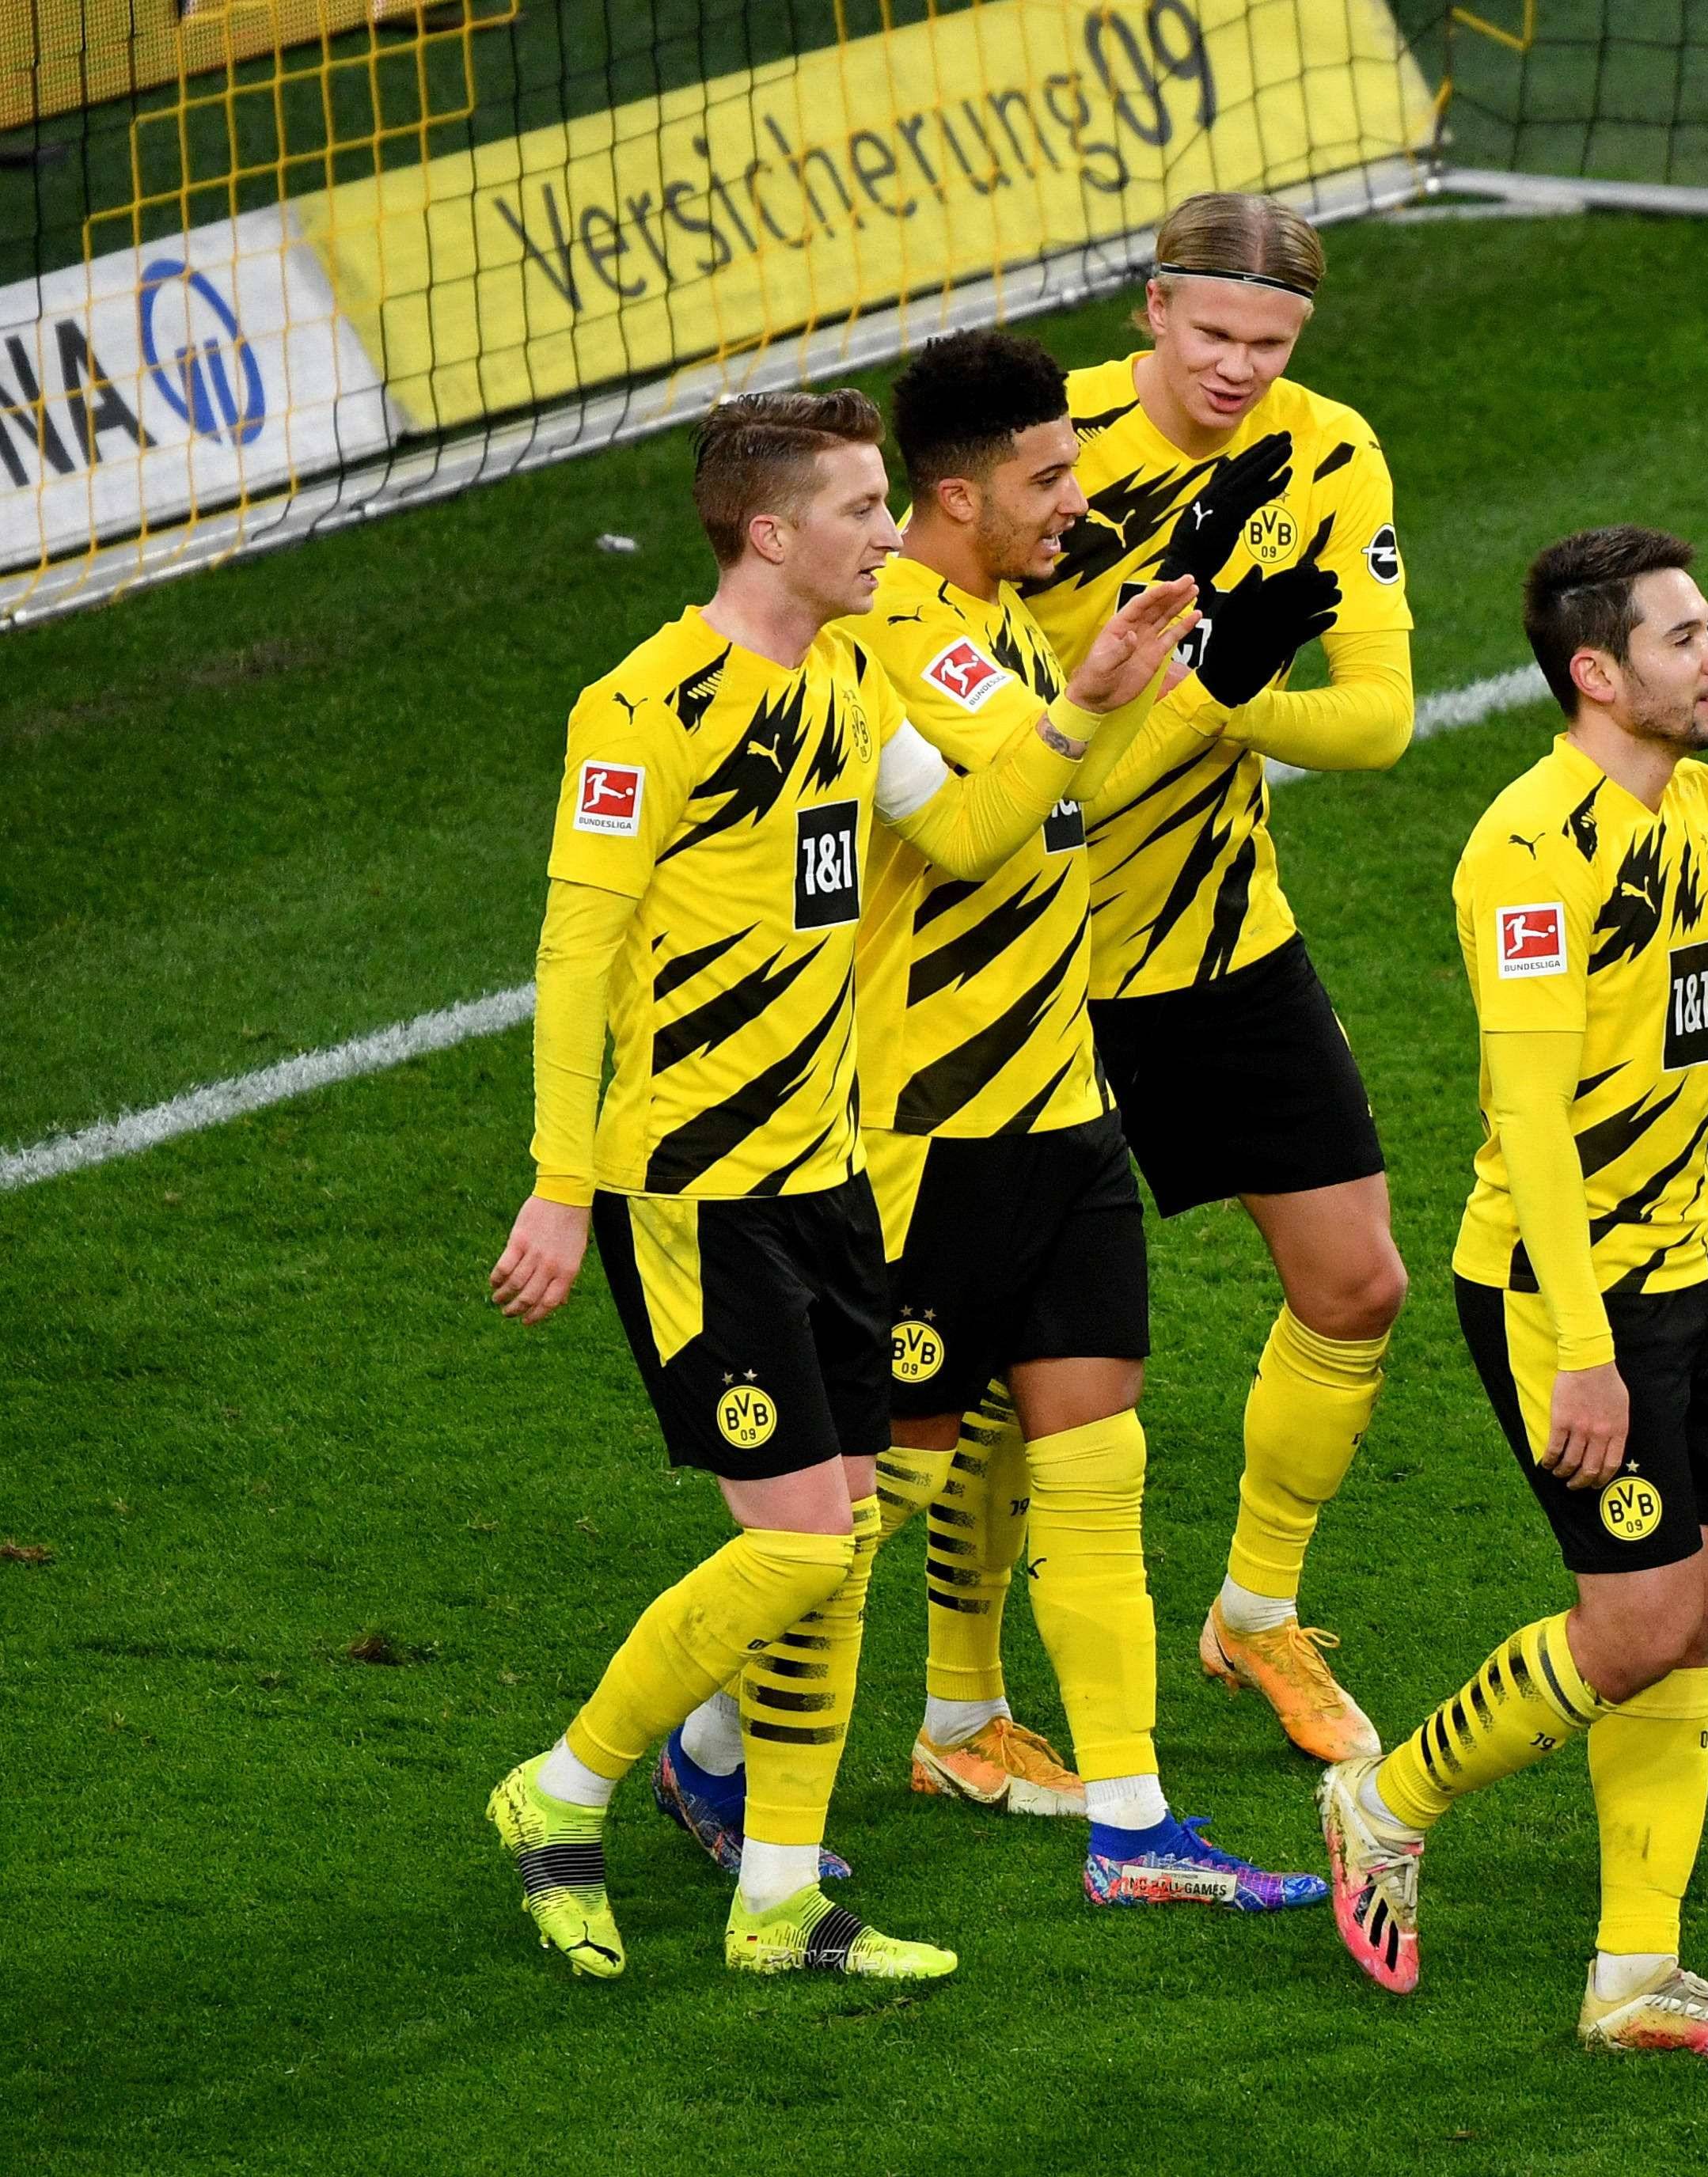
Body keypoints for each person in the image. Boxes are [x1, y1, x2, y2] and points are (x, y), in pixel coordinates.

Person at [481, 387, 1195, 1979]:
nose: (891, 533)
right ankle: (563, 1786)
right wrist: (560, 1181)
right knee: (804, 1545)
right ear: (769, 533)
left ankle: (780, 1900)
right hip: (698, 1187)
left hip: (835, 1178)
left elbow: (975, 833)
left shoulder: (852, 683)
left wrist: (1084, 705)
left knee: (847, 1532)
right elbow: (576, 952)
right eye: (864, 509)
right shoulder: (643, 707)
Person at [649, 332, 1321, 1910]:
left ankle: (1136, 1831)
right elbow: (987, 825)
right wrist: (1117, 691)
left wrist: (1205, 675)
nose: (1078, 500)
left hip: (1059, 1104)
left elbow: (1071, 794)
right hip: (929, 1124)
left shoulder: (1004, 621)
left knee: (1097, 1462)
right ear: (957, 497)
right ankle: (704, 1740)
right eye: (1050, 478)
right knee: (873, 1494)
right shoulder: (894, 628)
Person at [1316, 528, 1708, 2055]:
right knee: (1630, 1630)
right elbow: (1533, 1121)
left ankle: (1635, 1976)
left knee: (1688, 1620)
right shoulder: (1529, 854)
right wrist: (1583, 1349)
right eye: (1686, 636)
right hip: (1562, 1292)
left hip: (1694, 1267)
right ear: (1598, 674)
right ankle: (1386, 1799)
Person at [1021, 192, 1414, 1766]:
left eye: (1275, 342)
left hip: (1221, 935)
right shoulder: (1046, 451)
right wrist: (1195, 687)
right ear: (1152, 308)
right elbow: (976, 712)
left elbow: (1379, 716)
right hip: (1026, 951)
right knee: (999, 1355)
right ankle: (964, 1706)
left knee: (1357, 1281)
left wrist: (1231, 694)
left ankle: (1256, 1611)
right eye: (1218, 334)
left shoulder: (1328, 452)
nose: (1245, 368)